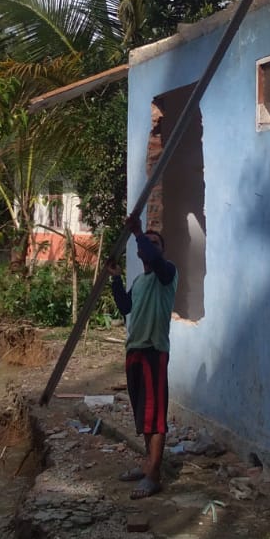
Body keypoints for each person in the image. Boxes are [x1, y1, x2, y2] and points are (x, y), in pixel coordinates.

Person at [108, 213, 177, 500]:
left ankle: (153, 475)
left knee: (155, 416)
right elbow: (125, 307)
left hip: (153, 351)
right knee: (143, 413)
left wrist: (138, 233)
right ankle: (148, 463)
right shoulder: (139, 281)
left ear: (161, 251)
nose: (149, 245)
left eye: (155, 243)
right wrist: (116, 278)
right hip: (134, 351)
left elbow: (155, 258)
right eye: (147, 242)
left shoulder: (167, 273)